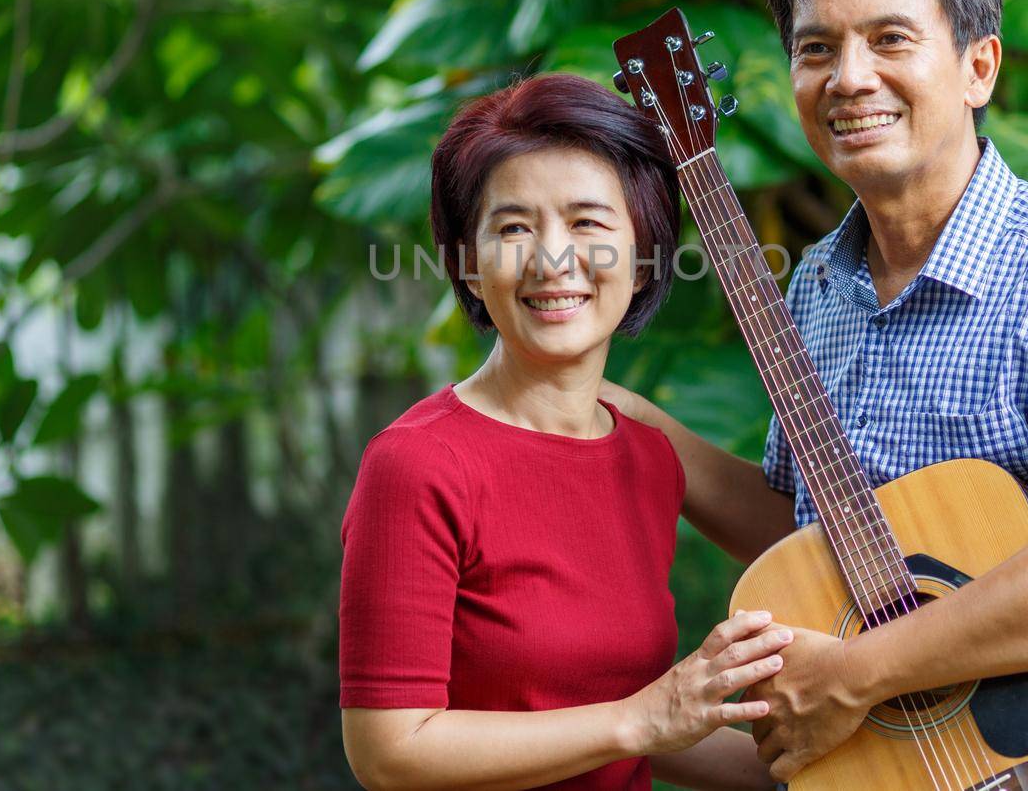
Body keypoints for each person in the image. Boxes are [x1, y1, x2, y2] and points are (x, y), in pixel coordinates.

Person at [601, 0, 1028, 782]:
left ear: (978, 67)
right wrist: (636, 424)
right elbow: (823, 533)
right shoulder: (816, 286)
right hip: (899, 763)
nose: (849, 77)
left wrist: (856, 672)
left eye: (890, 39)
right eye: (817, 49)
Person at [339, 72, 791, 791]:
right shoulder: (418, 463)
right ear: (465, 260)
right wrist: (642, 719)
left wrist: (813, 775)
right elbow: (390, 749)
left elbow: (613, 722)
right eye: (514, 227)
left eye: (588, 223)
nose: (554, 260)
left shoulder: (645, 454)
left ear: (644, 259)